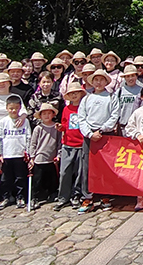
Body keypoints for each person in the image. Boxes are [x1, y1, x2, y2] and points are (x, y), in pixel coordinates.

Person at [76, 69, 120, 214]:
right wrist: (89, 133)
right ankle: (87, 197)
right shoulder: (86, 98)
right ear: (92, 82)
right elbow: (81, 118)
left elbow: (114, 115)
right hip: (89, 136)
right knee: (87, 167)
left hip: (105, 135)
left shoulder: (112, 97)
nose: (99, 82)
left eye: (101, 79)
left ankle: (105, 195)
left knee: (105, 167)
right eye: (96, 80)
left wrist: (102, 130)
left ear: (106, 81)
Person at [0, 96, 32, 210]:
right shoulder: (3, 122)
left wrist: (28, 153)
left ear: (20, 108)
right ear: (6, 108)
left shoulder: (25, 122)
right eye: (11, 108)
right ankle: (6, 197)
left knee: (20, 178)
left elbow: (28, 137)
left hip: (20, 154)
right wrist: (0, 154)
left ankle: (20, 197)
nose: (13, 110)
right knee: (6, 178)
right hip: (7, 155)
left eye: (16, 108)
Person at [54, 83, 86, 211]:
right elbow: (64, 125)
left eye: (76, 92)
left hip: (81, 144)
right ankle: (63, 197)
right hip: (67, 144)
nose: (74, 95)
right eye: (71, 93)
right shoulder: (66, 109)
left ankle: (76, 195)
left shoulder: (84, 108)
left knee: (79, 172)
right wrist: (60, 128)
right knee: (64, 172)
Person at [28, 103, 61, 207]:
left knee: (52, 179)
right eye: (44, 114)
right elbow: (33, 143)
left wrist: (59, 154)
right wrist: (32, 157)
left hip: (52, 158)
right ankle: (35, 197)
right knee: (37, 180)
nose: (47, 116)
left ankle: (52, 194)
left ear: (53, 114)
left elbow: (59, 142)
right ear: (40, 116)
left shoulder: (56, 127)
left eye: (49, 113)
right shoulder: (38, 128)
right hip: (39, 158)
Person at [113, 64, 143, 135]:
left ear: (136, 76)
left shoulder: (142, 90)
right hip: (123, 127)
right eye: (128, 76)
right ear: (124, 78)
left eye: (133, 76)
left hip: (138, 127)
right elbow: (115, 109)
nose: (130, 78)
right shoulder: (119, 91)